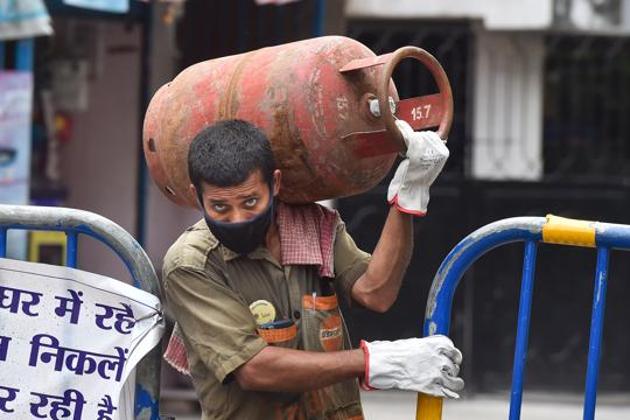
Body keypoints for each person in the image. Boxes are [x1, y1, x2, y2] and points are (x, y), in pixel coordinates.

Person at [162, 119, 464, 419]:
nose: (238, 218)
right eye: (220, 208)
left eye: (251, 201)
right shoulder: (191, 264)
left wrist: (409, 194)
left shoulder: (311, 227)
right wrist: (374, 362)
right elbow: (254, 369)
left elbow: (376, 293)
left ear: (275, 184)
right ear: (197, 196)